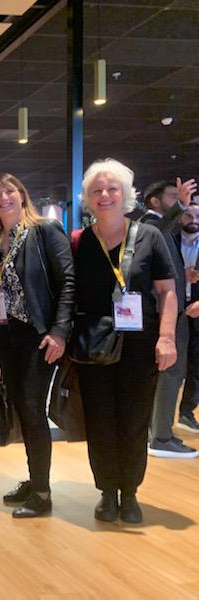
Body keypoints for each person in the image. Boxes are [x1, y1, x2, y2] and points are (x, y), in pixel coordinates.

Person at [75, 159, 178, 523]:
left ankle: (130, 492)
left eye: (112, 188)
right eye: (97, 190)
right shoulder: (81, 242)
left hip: (140, 345)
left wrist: (167, 338)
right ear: (88, 199)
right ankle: (106, 491)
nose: (105, 195)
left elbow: (167, 292)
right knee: (100, 420)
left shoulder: (150, 236)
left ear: (126, 194)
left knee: (134, 419)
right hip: (94, 347)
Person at [0, 173, 75, 518]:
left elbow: (67, 281)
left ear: (22, 195)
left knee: (33, 410)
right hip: (8, 338)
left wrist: (61, 331)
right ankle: (34, 478)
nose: (3, 198)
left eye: (9, 191)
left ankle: (42, 492)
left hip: (39, 335)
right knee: (22, 408)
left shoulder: (44, 231)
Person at [140, 178, 199, 458]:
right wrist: (180, 206)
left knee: (170, 376)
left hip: (171, 312)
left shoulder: (163, 230)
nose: (181, 199)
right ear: (155, 201)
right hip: (167, 315)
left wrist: (182, 276)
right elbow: (157, 230)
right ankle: (161, 436)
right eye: (173, 196)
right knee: (171, 375)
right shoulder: (151, 224)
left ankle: (159, 432)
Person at [177, 202, 199, 433]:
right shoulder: (169, 242)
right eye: (188, 215)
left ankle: (186, 412)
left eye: (197, 215)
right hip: (171, 310)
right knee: (168, 368)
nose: (193, 219)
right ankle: (157, 420)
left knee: (197, 366)